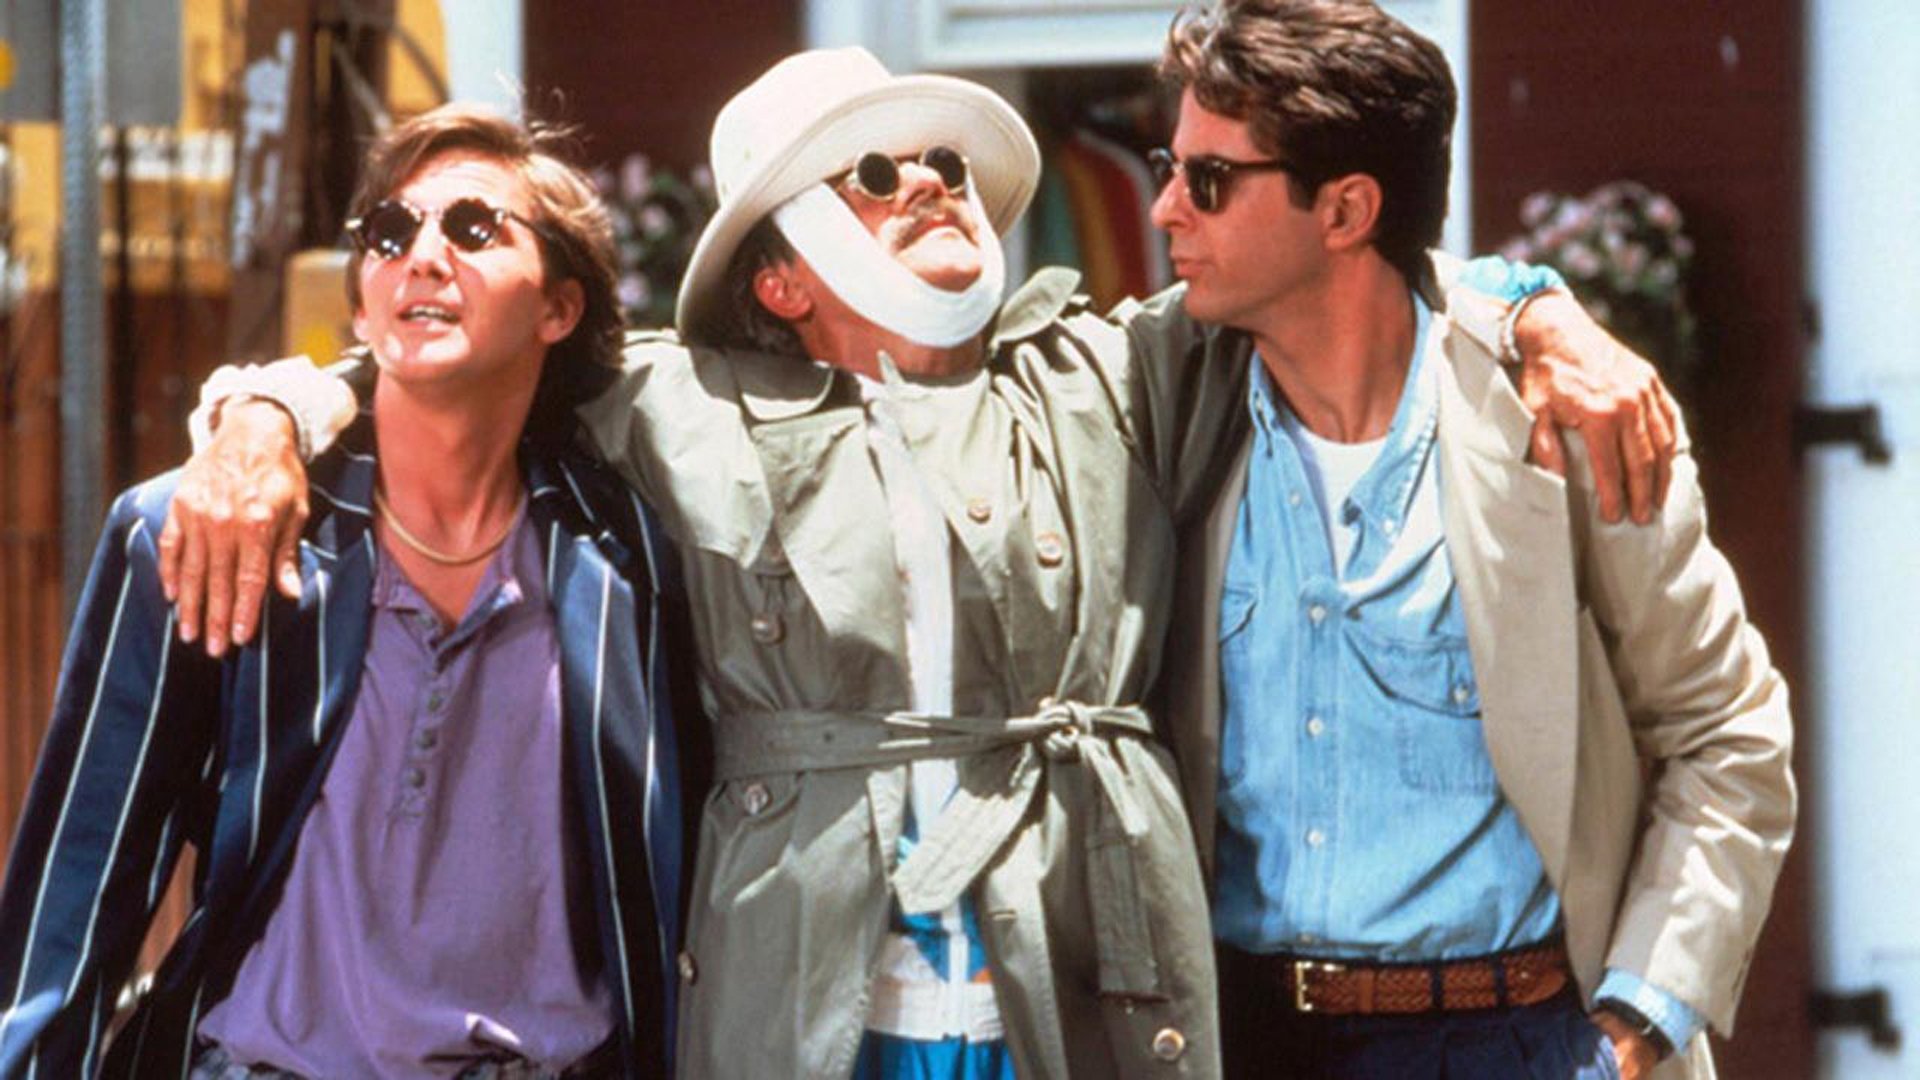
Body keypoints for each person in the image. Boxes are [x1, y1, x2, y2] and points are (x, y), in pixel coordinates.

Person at [156, 48, 1675, 1079]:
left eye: (943, 161)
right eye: (877, 174)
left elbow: (1332, 259)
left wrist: (1535, 307)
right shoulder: (675, 405)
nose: (933, 182)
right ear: (779, 277)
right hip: (806, 1000)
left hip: (1077, 992)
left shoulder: (1111, 369)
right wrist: (271, 410)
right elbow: (451, 357)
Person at [1149, 4, 1795, 1079]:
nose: (1166, 208)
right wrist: (1529, 296)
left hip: (1512, 1036)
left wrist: (1637, 1024)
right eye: (1165, 168)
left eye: (1209, 180)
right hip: (1245, 1036)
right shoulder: (1165, 399)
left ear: (1346, 209)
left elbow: (1726, 732)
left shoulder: (1568, 425)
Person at [0, 105, 694, 1078]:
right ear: (363, 308)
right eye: (390, 232)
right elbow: (73, 903)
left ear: (559, 308)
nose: (424, 256)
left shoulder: (624, 561)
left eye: (474, 227)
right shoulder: (208, 528)